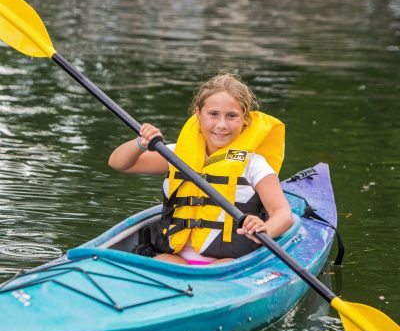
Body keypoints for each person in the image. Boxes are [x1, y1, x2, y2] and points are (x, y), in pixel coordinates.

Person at [109, 73, 293, 265]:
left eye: (232, 116)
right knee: (162, 262)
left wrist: (265, 229)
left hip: (228, 262)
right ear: (198, 113)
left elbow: (283, 214)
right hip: (175, 258)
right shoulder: (176, 155)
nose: (221, 125)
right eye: (213, 114)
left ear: (244, 120)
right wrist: (140, 143)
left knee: (217, 271)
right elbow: (119, 163)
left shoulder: (254, 164)